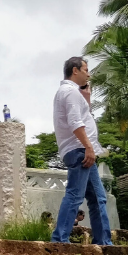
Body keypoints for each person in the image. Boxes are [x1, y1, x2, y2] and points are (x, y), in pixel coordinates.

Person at [51, 57, 111, 245]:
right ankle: (59, 240)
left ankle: (103, 242)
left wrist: (86, 96)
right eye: (86, 69)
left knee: (98, 197)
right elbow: (75, 122)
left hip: (80, 150)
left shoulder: (71, 93)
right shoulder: (70, 92)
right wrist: (88, 147)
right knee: (75, 195)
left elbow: (81, 116)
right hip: (80, 150)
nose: (89, 73)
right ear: (75, 70)